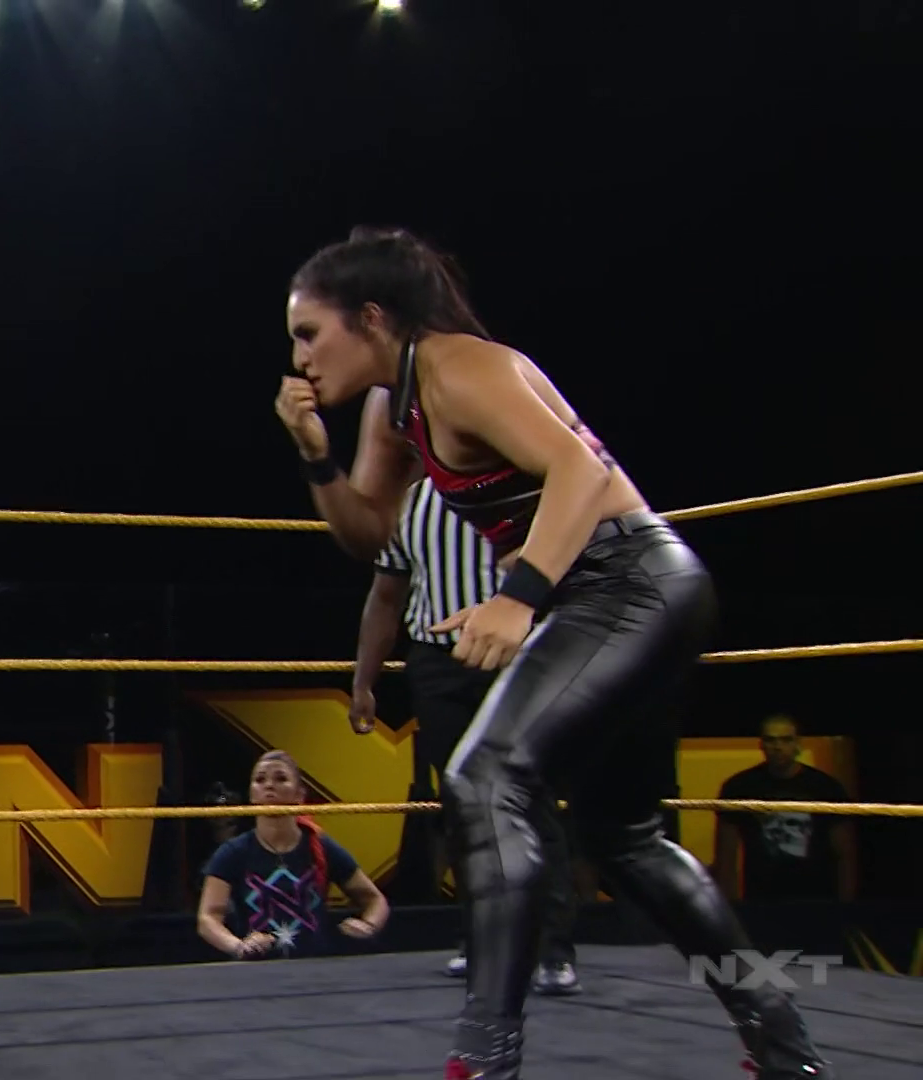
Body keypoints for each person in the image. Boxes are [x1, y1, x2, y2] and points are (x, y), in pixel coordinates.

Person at [273, 227, 827, 1079]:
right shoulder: (395, 405)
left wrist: (517, 598)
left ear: (371, 317)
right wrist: (317, 458)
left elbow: (580, 471)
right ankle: (783, 1046)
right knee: (626, 837)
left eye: (310, 333)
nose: (300, 358)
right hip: (614, 594)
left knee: (483, 777)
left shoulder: (461, 366)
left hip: (632, 582)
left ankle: (486, 1059)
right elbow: (372, 536)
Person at [353, 476, 583, 994]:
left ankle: (552, 947)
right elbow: (386, 595)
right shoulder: (408, 500)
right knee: (462, 803)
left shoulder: (516, 486)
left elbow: (566, 576)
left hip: (516, 656)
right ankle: (481, 939)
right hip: (437, 662)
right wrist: (364, 682)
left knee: (530, 797)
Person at [198, 751, 390, 961]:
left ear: (299, 794)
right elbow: (208, 918)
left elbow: (374, 900)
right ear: (252, 794)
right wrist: (239, 946)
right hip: (257, 970)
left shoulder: (320, 845)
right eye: (260, 780)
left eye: (280, 779)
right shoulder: (234, 852)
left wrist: (368, 926)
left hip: (316, 969)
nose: (269, 786)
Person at [715, 716, 856, 903]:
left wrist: (847, 906)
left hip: (818, 897)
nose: (778, 747)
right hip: (762, 898)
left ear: (798, 744)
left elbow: (845, 853)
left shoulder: (825, 787)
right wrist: (730, 905)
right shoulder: (739, 787)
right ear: (761, 744)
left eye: (786, 740)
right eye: (771, 740)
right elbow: (726, 855)